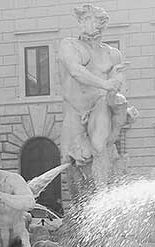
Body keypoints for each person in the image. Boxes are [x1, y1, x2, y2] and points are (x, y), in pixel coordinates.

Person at [58, 4, 137, 188]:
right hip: (75, 112)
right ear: (81, 21)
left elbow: (115, 87)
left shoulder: (113, 54)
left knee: (100, 147)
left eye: (99, 21)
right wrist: (106, 84)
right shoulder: (69, 45)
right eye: (89, 19)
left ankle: (103, 197)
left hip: (100, 106)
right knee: (72, 167)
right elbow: (76, 71)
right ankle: (84, 204)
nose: (95, 25)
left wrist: (117, 88)